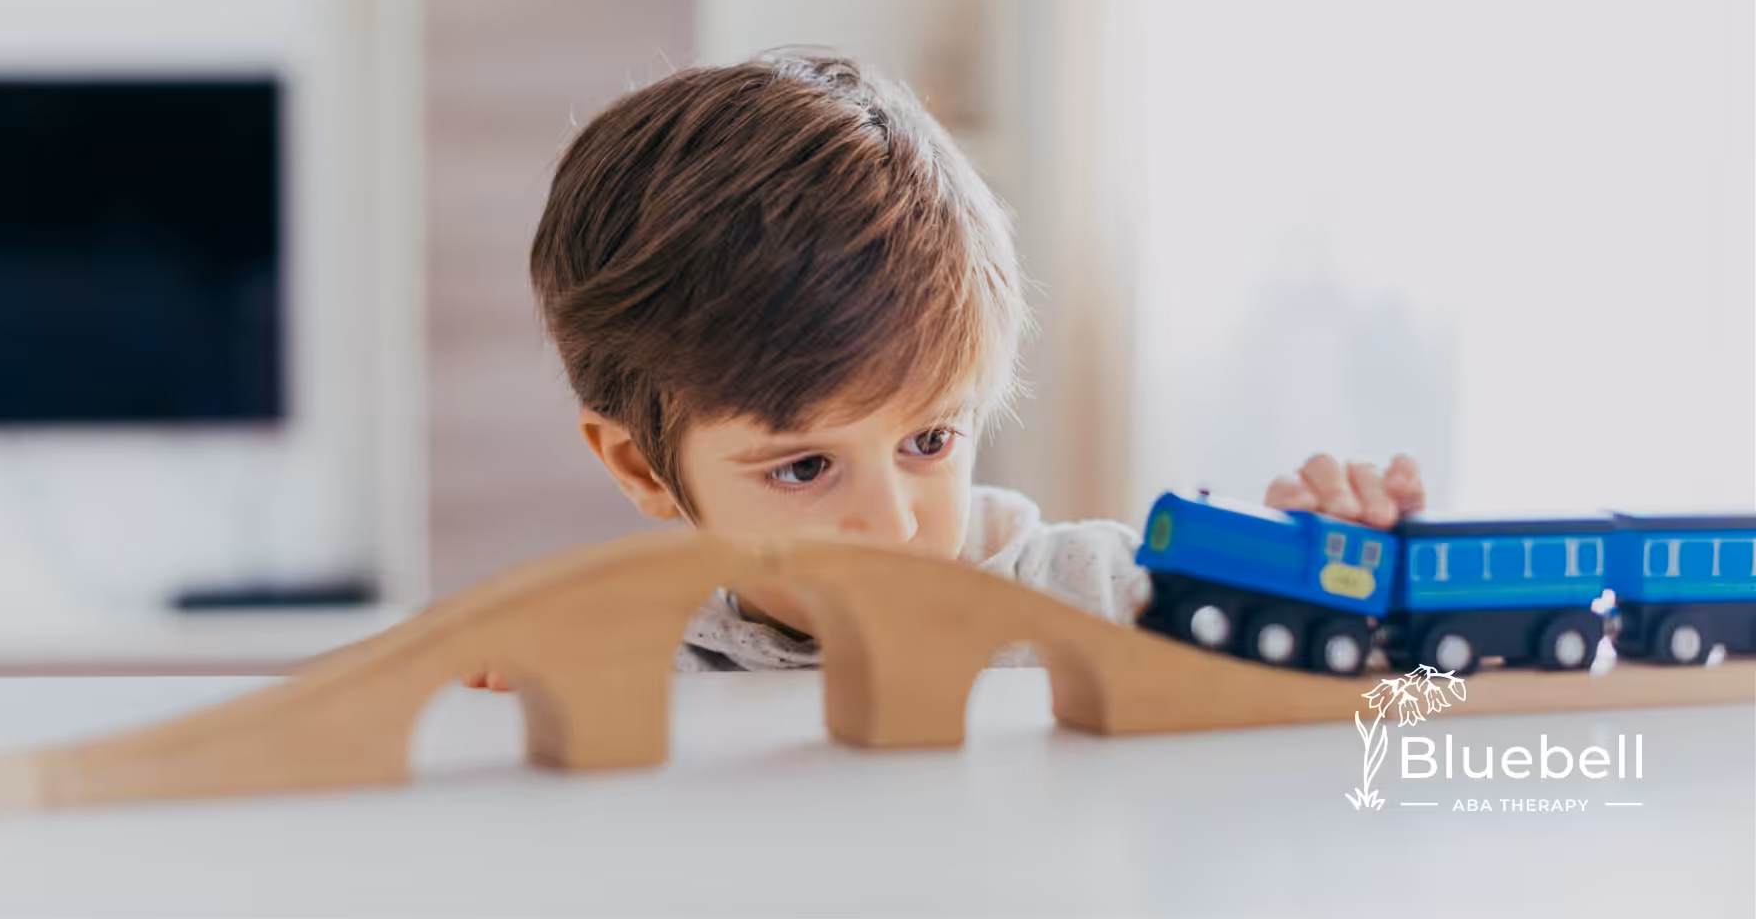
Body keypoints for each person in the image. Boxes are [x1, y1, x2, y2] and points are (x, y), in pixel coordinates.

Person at [469, 51, 1423, 686]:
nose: (891, 522)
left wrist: (1343, 585)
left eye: (929, 440)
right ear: (641, 467)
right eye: (804, 467)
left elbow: (1367, 711)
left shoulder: (1106, 598)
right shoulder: (632, 668)